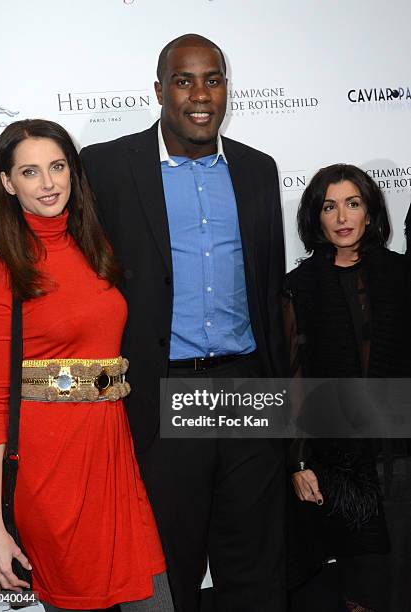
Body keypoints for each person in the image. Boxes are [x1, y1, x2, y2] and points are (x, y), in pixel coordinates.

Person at [80, 33, 287, 612]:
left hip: (248, 388)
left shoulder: (257, 169)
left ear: (227, 90)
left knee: (256, 563)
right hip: (165, 391)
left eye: (213, 79)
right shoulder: (106, 167)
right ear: (159, 90)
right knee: (171, 567)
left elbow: (271, 295)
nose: (201, 95)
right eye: (184, 80)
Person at [0, 119, 174, 611]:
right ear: (7, 183)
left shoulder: (99, 252)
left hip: (115, 457)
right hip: (52, 476)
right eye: (30, 171)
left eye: (57, 166)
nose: (48, 183)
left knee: (154, 598)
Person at [284, 164, 411, 612]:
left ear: (370, 213)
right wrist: (298, 460)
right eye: (329, 206)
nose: (342, 216)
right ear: (315, 219)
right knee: (361, 587)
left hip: (401, 457)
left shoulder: (401, 275)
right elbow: (294, 379)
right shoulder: (298, 288)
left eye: (353, 204)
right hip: (339, 467)